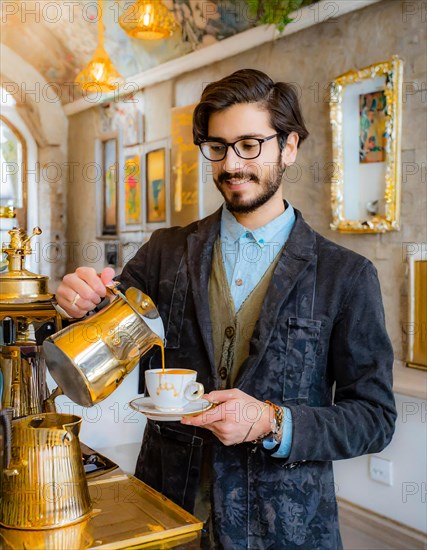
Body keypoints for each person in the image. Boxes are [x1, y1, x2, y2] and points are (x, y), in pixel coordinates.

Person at [56, 69, 396, 549]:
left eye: (250, 144)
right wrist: (76, 303)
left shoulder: (346, 275)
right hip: (166, 514)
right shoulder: (163, 252)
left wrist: (271, 422)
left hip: (286, 527)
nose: (232, 163)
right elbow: (102, 337)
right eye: (217, 147)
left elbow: (374, 418)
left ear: (290, 146)